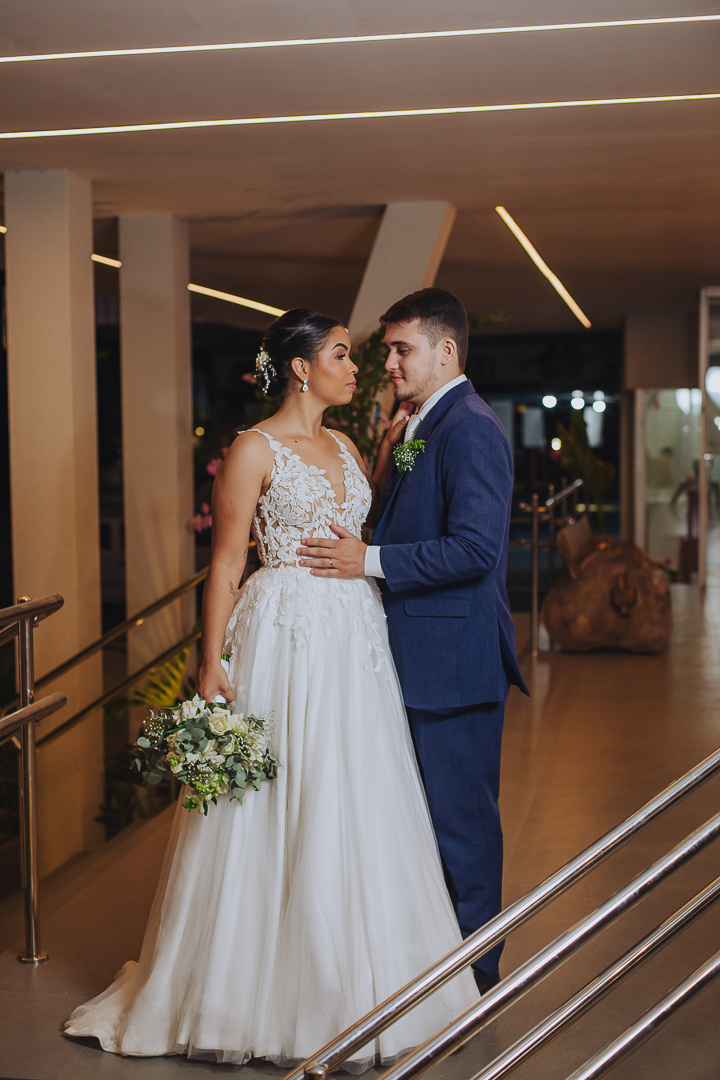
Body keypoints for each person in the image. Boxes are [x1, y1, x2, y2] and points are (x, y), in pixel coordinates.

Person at [64, 308, 478, 1067]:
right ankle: (245, 995)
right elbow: (226, 563)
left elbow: (373, 534)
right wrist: (210, 658)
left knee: (356, 798)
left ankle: (366, 992)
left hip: (355, 639)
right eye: (345, 355)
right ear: (300, 366)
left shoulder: (354, 444)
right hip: (283, 633)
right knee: (270, 805)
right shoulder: (252, 450)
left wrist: (396, 461)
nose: (359, 370)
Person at [298, 288, 528, 993]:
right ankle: (437, 970)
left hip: (453, 666)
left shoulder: (471, 428)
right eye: (390, 350)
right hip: (413, 660)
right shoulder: (424, 423)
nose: (390, 363)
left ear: (446, 350)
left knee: (462, 829)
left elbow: (474, 551)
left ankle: (477, 976)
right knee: (423, 828)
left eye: (402, 349)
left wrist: (365, 561)